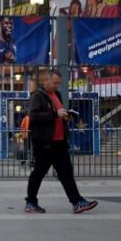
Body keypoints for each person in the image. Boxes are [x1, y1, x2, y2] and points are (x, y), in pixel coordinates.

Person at [24, 69, 98, 214]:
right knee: (38, 173)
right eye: (54, 83)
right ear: (46, 80)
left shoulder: (56, 95)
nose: (57, 86)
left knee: (66, 172)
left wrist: (65, 116)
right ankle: (31, 202)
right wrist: (54, 114)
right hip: (45, 144)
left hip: (59, 142)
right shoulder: (37, 96)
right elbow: (33, 116)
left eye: (59, 83)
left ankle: (77, 202)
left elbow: (58, 115)